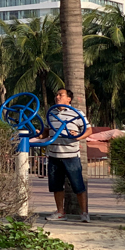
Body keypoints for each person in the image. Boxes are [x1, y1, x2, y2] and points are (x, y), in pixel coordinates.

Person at [44, 87, 90, 223]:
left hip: (70, 156)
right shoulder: (51, 113)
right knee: (56, 186)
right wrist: (35, 133)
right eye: (56, 95)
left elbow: (89, 130)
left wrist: (79, 136)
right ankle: (60, 212)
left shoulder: (76, 113)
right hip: (54, 155)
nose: (57, 97)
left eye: (60, 95)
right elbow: (46, 132)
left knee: (78, 185)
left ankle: (84, 213)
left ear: (68, 99)